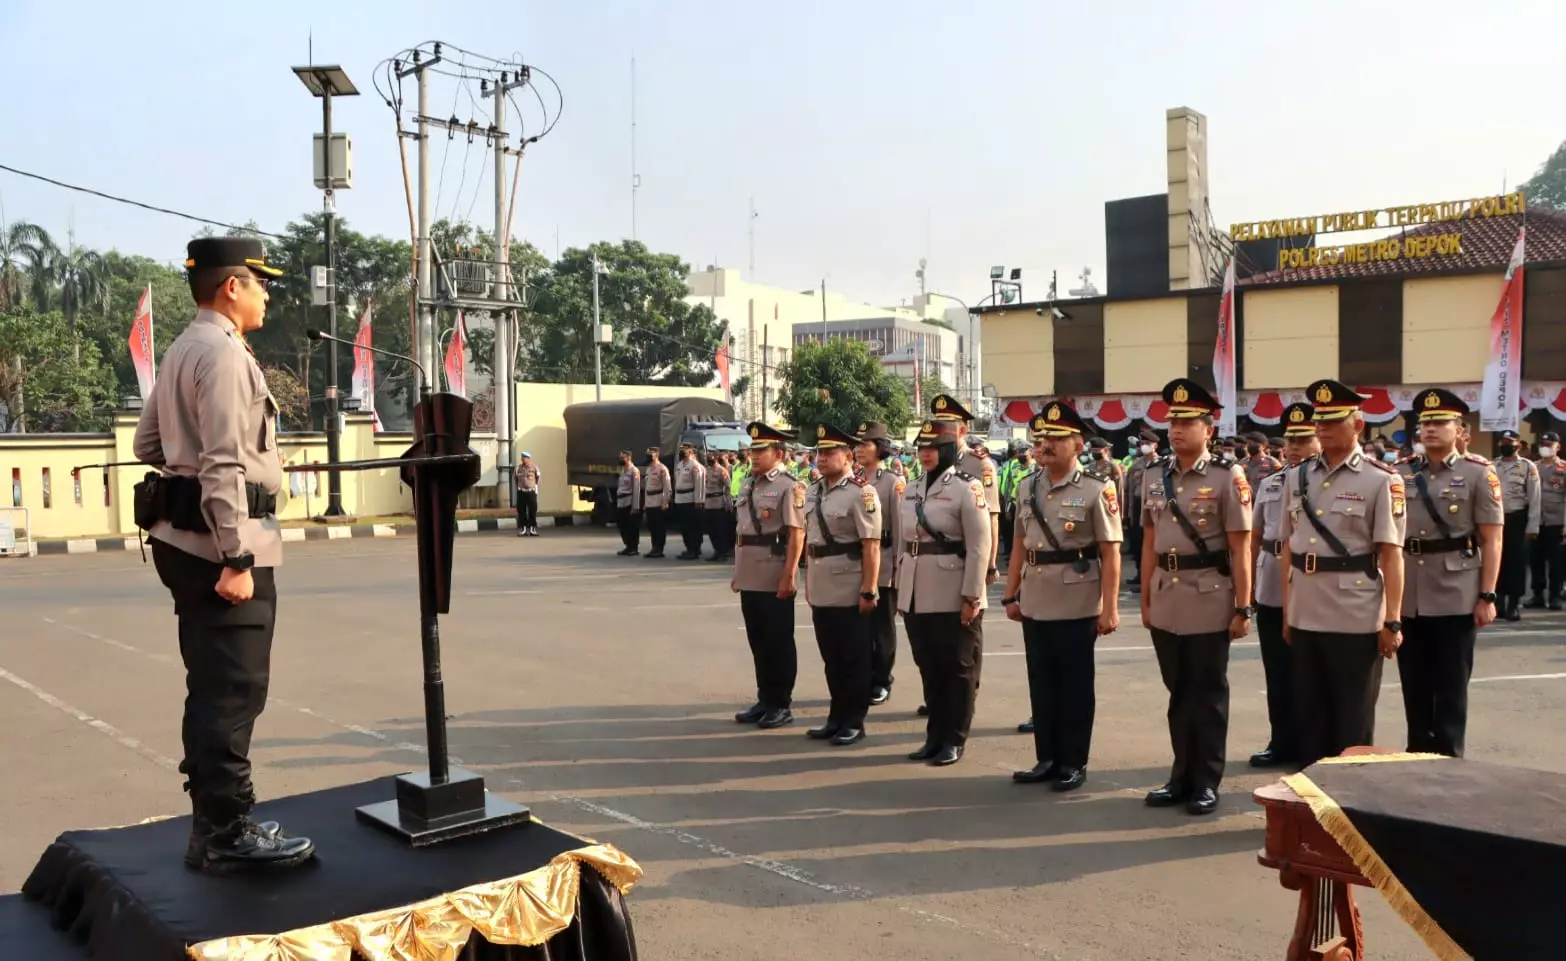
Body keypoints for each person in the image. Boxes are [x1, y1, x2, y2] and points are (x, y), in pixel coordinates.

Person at [132, 237, 314, 871]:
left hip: (181, 543)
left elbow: (146, 442)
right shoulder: (226, 355)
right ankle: (229, 832)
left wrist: (185, 477)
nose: (267, 293)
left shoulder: (184, 347)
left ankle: (209, 825)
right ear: (230, 286)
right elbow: (223, 463)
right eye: (260, 282)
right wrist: (236, 555)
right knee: (234, 691)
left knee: (208, 687)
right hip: (223, 551)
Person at [1138, 378, 1253, 816]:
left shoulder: (1228, 476)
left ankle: (1206, 779)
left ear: (1210, 427)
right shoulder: (1153, 475)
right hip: (1166, 594)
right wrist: (1147, 595)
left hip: (1210, 594)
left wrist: (1243, 606)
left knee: (1206, 693)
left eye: (1188, 422)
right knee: (1178, 691)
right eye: (1173, 422)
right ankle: (1180, 775)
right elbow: (1149, 539)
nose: (1177, 430)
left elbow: (1240, 545)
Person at [1279, 382, 1407, 766]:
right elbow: (1289, 546)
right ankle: (1311, 807)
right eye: (1320, 420)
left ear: (1358, 424)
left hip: (1355, 615)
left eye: (1333, 421)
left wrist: (1393, 620)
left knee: (1352, 721)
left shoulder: (1382, 480)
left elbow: (1391, 555)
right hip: (1305, 611)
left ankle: (1349, 809)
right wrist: (1288, 611)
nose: (1322, 428)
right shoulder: (1296, 477)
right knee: (1309, 717)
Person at [1002, 402, 1122, 791]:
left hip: (1076, 601)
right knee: (1042, 682)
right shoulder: (1027, 485)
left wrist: (1111, 608)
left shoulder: (1096, 489)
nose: (1046, 445)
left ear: (1077, 444)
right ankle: (1047, 757)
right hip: (1035, 597)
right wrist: (1010, 593)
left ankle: (1073, 761)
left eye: (1056, 438)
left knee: (1074, 685)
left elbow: (1110, 552)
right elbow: (1019, 542)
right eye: (1042, 438)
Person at [1397, 389, 1504, 758]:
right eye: (1425, 423)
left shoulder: (1478, 473)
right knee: (1414, 682)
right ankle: (1417, 752)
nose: (1430, 429)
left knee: (1452, 685)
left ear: (1460, 429)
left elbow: (1491, 538)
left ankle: (1449, 757)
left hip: (1457, 590)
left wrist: (1487, 595)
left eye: (1440, 422)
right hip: (1409, 592)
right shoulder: (1401, 471)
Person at [898, 418, 993, 767]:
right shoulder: (911, 488)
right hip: (916, 593)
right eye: (921, 448)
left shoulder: (968, 488)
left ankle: (954, 738)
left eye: (933, 447)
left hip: (952, 590)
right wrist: (901, 590)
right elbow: (902, 545)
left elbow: (980, 546)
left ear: (949, 449)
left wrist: (972, 596)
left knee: (957, 667)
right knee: (929, 666)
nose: (925, 454)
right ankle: (934, 736)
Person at [1248, 402, 1318, 769]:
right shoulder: (1271, 482)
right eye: (1290, 439)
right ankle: (1281, 740)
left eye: (1303, 439)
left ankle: (1310, 744)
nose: (1294, 447)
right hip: (1273, 580)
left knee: (1309, 672)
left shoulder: (1322, 483)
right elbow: (1255, 535)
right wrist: (1248, 590)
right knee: (1276, 671)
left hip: (1311, 583)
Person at [802, 424, 882, 745]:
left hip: (850, 585)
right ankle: (835, 717)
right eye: (819, 452)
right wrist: (808, 582)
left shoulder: (862, 492)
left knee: (854, 658)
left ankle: (853, 720)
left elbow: (871, 545)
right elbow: (811, 544)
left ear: (848, 456)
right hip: (821, 583)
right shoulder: (813, 490)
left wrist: (869, 588)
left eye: (829, 452)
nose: (821, 458)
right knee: (831, 658)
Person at [732, 423, 807, 729]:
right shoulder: (749, 484)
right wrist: (738, 573)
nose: (754, 456)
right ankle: (764, 698)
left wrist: (789, 574)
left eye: (761, 451)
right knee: (758, 640)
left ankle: (781, 702)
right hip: (751, 573)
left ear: (778, 453)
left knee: (778, 641)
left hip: (775, 572)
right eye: (752, 450)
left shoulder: (789, 485)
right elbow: (742, 532)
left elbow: (796, 534)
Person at [857, 423, 904, 706]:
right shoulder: (855, 479)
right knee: (860, 628)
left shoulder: (892, 482)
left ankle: (882, 679)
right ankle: (864, 675)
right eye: (859, 444)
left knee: (882, 628)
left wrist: (899, 570)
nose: (860, 449)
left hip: (885, 562)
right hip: (858, 562)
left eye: (867, 444)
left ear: (881, 448)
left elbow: (899, 529)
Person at [1493, 429, 1540, 621]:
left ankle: (1513, 604)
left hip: (1517, 519)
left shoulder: (1528, 467)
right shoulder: (1491, 465)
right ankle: (1498, 602)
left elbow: (1535, 498)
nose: (1507, 445)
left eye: (1510, 442)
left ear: (1518, 445)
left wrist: (1533, 526)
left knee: (1516, 562)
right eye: (1504, 441)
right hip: (1495, 519)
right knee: (1496, 561)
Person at [1527, 431, 1566, 610]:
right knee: (1535, 559)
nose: (1546, 447)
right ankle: (1537, 595)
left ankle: (1555, 596)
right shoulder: (1532, 467)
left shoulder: (1564, 468)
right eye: (1543, 444)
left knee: (1557, 562)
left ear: (1558, 447)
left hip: (1556, 521)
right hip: (1535, 521)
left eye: (1550, 445)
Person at [1123, 430, 1162, 589]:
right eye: (1143, 443)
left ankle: (1156, 575)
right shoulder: (1136, 464)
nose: (1145, 446)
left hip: (1155, 506)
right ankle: (1141, 574)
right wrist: (1127, 513)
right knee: (1138, 543)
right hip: (1137, 505)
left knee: (1155, 543)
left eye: (1148, 444)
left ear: (1155, 445)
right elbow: (1128, 489)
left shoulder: (1162, 464)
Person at [672, 442, 707, 561]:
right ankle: (689, 548)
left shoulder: (695, 466)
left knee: (692, 526)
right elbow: (677, 482)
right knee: (684, 526)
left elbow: (699, 484)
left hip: (690, 499)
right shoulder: (680, 465)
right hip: (680, 499)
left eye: (685, 449)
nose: (682, 451)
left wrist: (699, 500)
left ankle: (694, 549)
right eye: (681, 449)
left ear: (691, 451)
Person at [641, 446, 672, 559]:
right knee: (652, 526)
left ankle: (659, 548)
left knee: (659, 526)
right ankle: (654, 547)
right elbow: (646, 487)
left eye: (651, 454)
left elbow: (667, 487)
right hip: (650, 501)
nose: (649, 456)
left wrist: (665, 501)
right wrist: (645, 503)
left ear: (657, 455)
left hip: (658, 501)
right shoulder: (649, 469)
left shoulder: (662, 469)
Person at [704, 451, 733, 562]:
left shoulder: (722, 470)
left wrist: (727, 501)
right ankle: (716, 550)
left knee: (720, 529)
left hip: (718, 502)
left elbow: (728, 486)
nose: (709, 459)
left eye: (711, 457)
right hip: (709, 502)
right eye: (707, 457)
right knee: (711, 530)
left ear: (716, 458)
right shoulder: (707, 470)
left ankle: (723, 552)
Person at [614, 449, 642, 556]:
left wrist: (635, 506)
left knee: (632, 526)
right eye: (620, 457)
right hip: (621, 501)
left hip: (629, 501)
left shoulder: (634, 471)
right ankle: (627, 545)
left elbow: (636, 489)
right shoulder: (622, 471)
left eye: (623, 457)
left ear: (629, 458)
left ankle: (634, 547)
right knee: (622, 525)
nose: (621, 459)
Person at [514, 451, 541, 537]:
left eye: (525, 458)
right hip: (521, 492)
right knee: (521, 510)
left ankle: (532, 528)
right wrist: (519, 487)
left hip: (531, 492)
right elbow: (515, 479)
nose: (523, 459)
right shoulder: (518, 468)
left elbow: (538, 478)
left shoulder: (534, 468)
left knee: (532, 510)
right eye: (522, 458)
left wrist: (534, 487)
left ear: (529, 459)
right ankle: (523, 528)